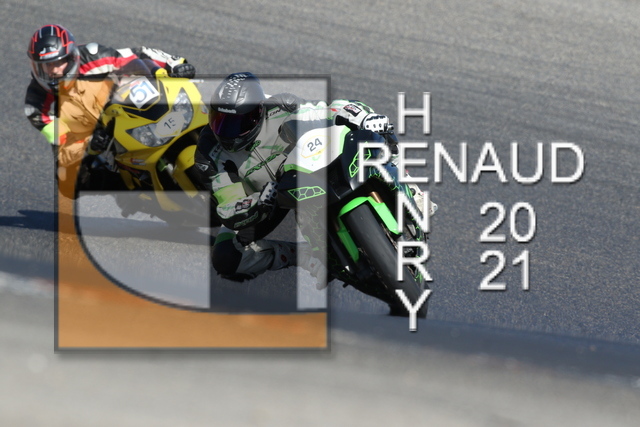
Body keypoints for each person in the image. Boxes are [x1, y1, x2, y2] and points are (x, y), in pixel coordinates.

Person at [195, 72, 436, 286]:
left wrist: (362, 117)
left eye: (238, 122)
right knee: (226, 257)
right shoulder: (209, 152)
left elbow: (326, 110)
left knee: (371, 132)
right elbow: (227, 200)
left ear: (258, 111)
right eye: (220, 121)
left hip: (300, 173)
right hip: (262, 201)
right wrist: (258, 202)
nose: (228, 132)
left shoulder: (281, 106)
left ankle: (412, 189)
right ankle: (304, 256)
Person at [24, 24, 196, 197]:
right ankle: (127, 191)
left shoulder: (93, 56)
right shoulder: (36, 97)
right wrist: (87, 142)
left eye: (58, 62)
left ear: (70, 57)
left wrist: (175, 64)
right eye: (47, 65)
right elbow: (49, 126)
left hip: (119, 105)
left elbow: (138, 54)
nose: (54, 70)